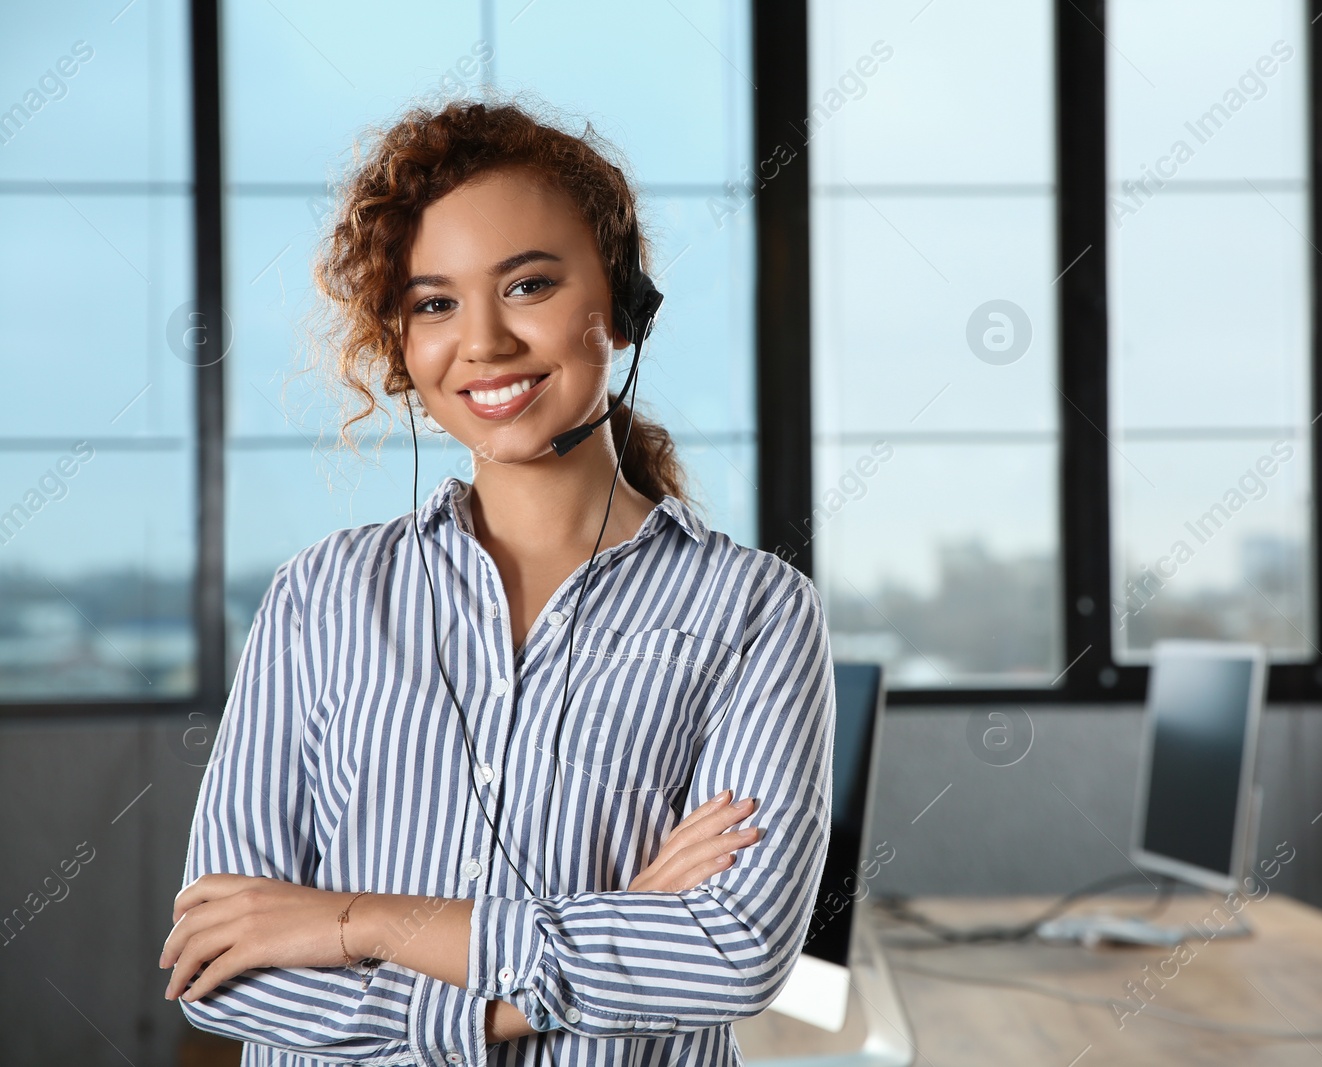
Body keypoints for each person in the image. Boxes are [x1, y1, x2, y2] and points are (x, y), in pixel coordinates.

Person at [159, 97, 836, 1067]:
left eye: (527, 285)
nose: (481, 342)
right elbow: (221, 968)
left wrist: (350, 918)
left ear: (624, 301)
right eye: (434, 302)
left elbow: (732, 952)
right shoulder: (320, 595)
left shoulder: (753, 611)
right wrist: (614, 931)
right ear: (400, 343)